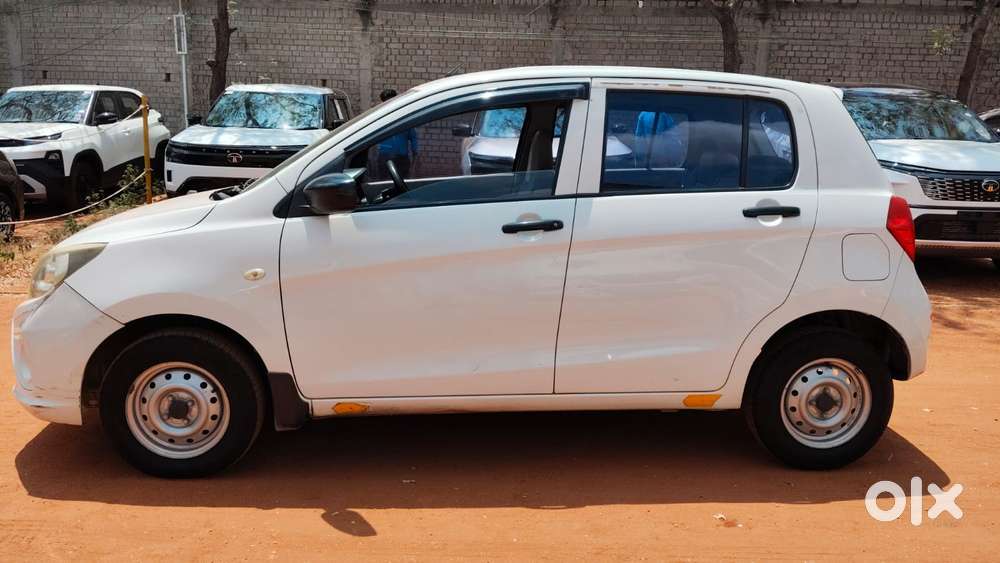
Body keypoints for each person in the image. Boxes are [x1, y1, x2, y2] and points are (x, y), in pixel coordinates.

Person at [375, 88, 418, 179]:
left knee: (401, 185)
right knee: (384, 184)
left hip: (401, 158)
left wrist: (415, 158)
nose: (390, 104)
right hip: (385, 158)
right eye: (387, 102)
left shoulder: (404, 116)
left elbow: (413, 137)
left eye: (392, 100)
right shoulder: (379, 117)